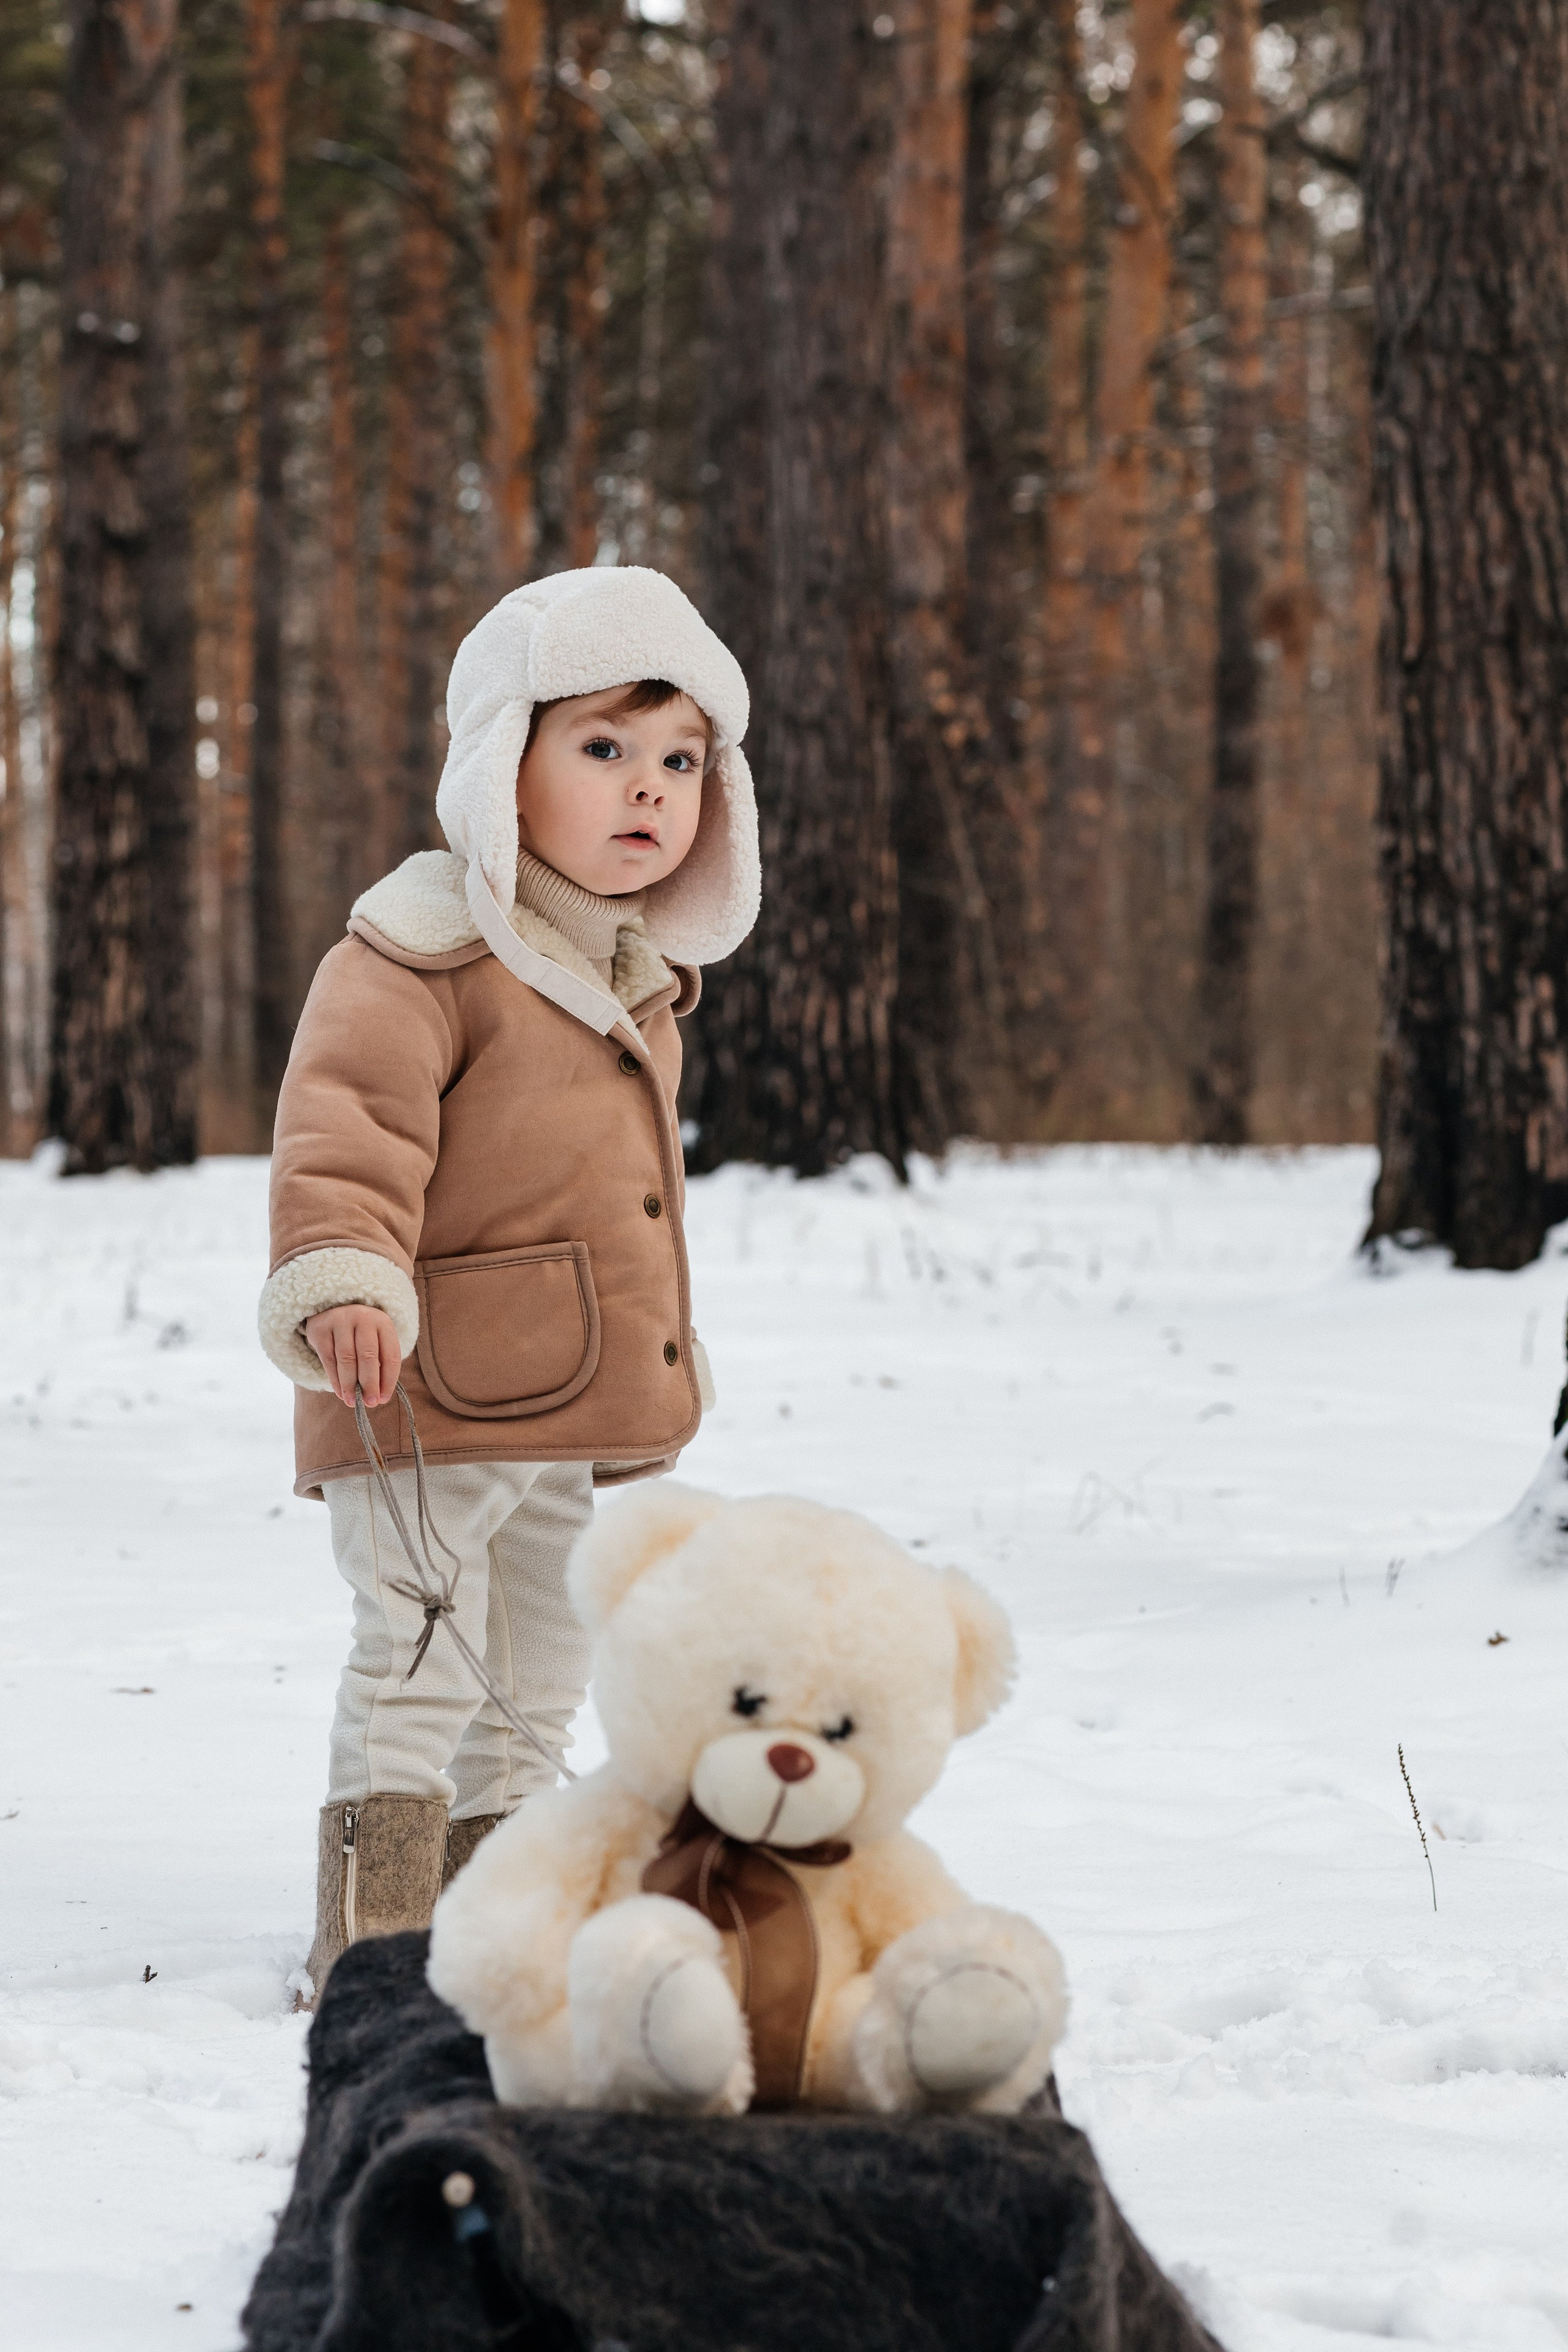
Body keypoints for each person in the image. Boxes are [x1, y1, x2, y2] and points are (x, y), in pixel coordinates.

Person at [257, 567, 759, 2002]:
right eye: (599, 749)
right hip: (417, 1381)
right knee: (418, 1652)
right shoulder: (419, 956)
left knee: (538, 1667)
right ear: (501, 766)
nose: (644, 791)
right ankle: (374, 1940)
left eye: (677, 761)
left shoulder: (631, 974)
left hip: (563, 1398)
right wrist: (342, 1274)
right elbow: (343, 1132)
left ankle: (499, 1910)